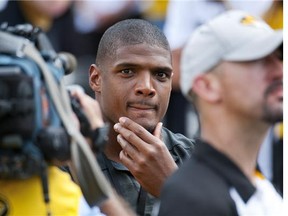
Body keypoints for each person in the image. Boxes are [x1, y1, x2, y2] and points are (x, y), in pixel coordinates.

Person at [158, 10, 283, 215]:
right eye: (258, 58)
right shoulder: (193, 200)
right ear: (207, 86)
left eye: (279, 58)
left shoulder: (262, 187)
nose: (280, 71)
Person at [88, 18, 194, 215]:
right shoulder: (64, 162)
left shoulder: (195, 161)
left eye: (160, 75)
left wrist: (171, 188)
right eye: (127, 71)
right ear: (96, 79)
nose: (146, 87)